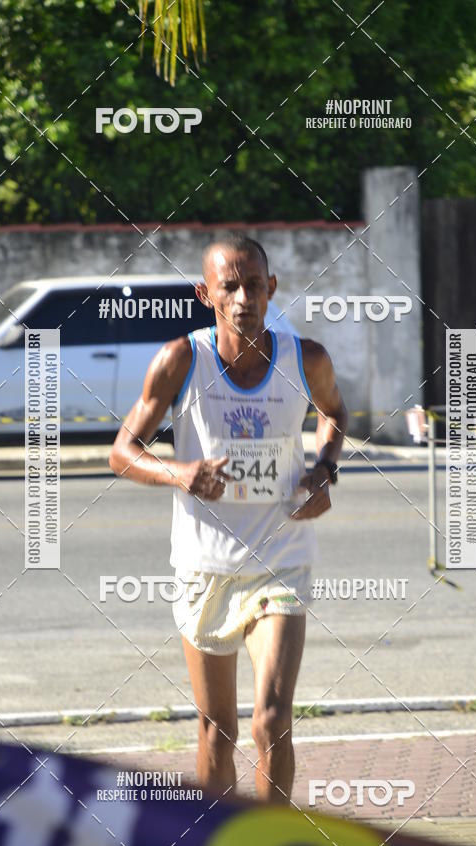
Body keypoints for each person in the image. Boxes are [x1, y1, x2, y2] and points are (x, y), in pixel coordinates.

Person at [109, 233, 347, 803]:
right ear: (205, 294)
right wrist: (179, 473)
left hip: (281, 561)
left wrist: (324, 471)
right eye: (230, 286)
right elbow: (121, 452)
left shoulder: (305, 358)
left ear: (273, 289)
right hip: (205, 567)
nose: (244, 298)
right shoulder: (180, 359)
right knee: (218, 732)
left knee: (271, 718)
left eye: (255, 285)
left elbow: (334, 413)